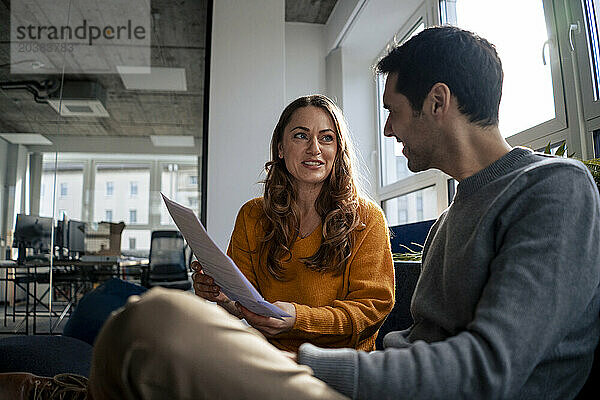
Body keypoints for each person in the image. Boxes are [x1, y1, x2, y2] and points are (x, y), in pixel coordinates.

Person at [84, 26, 599, 400]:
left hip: (360, 380)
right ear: (281, 148)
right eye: (301, 136)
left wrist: (303, 361)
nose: (390, 130)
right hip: (370, 380)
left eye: (393, 111)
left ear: (437, 102)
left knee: (152, 323)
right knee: (146, 326)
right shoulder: (458, 211)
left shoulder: (554, 188)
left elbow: (488, 370)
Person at [191, 94, 395, 353]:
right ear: (280, 147)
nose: (314, 149)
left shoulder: (367, 219)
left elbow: (371, 311)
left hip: (340, 365)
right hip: (268, 357)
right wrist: (224, 296)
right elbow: (244, 305)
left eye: (327, 138)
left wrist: (298, 319)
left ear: (338, 149)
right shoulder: (252, 215)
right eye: (301, 135)